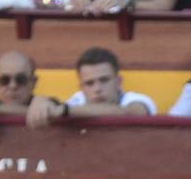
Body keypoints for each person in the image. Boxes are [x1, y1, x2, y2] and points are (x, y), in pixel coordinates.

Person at [28, 46, 156, 126]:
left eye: (104, 80)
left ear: (118, 81)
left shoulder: (137, 99)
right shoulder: (77, 100)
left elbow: (129, 112)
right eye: (89, 83)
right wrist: (42, 101)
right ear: (81, 87)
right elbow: (56, 106)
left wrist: (64, 111)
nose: (97, 89)